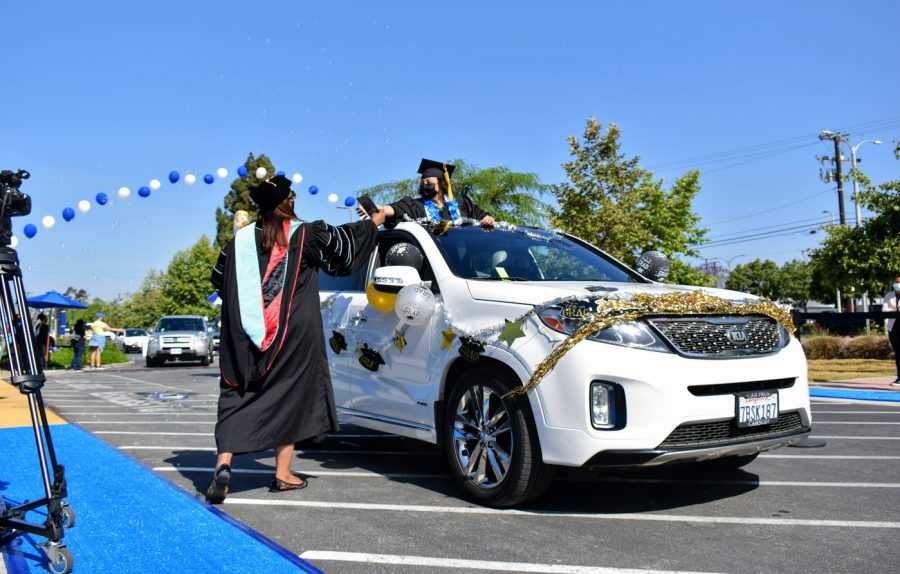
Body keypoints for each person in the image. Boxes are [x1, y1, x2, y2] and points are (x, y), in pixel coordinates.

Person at [206, 174, 386, 504]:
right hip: (293, 334)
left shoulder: (238, 243)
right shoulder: (306, 234)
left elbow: (218, 280)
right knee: (289, 395)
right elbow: (344, 251)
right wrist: (372, 224)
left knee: (236, 393)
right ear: (288, 202)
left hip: (242, 335)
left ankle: (223, 465)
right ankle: (283, 473)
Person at [375, 159, 495, 229]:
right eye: (422, 182)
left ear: (442, 184)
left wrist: (487, 219)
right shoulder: (414, 205)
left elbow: (481, 216)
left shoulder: (461, 203)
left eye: (428, 182)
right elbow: (394, 209)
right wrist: (378, 208)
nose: (424, 185)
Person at [882, 275, 900, 386]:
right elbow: (884, 309)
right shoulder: (889, 295)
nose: (897, 284)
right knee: (898, 353)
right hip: (893, 327)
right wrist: (894, 310)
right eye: (896, 282)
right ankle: (899, 377)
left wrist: (892, 309)